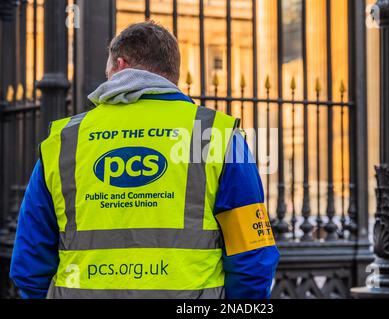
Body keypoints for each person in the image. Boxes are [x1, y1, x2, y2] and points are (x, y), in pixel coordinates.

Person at [9, 21, 279, 299]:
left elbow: (29, 263)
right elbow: (252, 254)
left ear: (121, 65)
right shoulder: (215, 135)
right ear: (173, 73)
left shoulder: (65, 141)